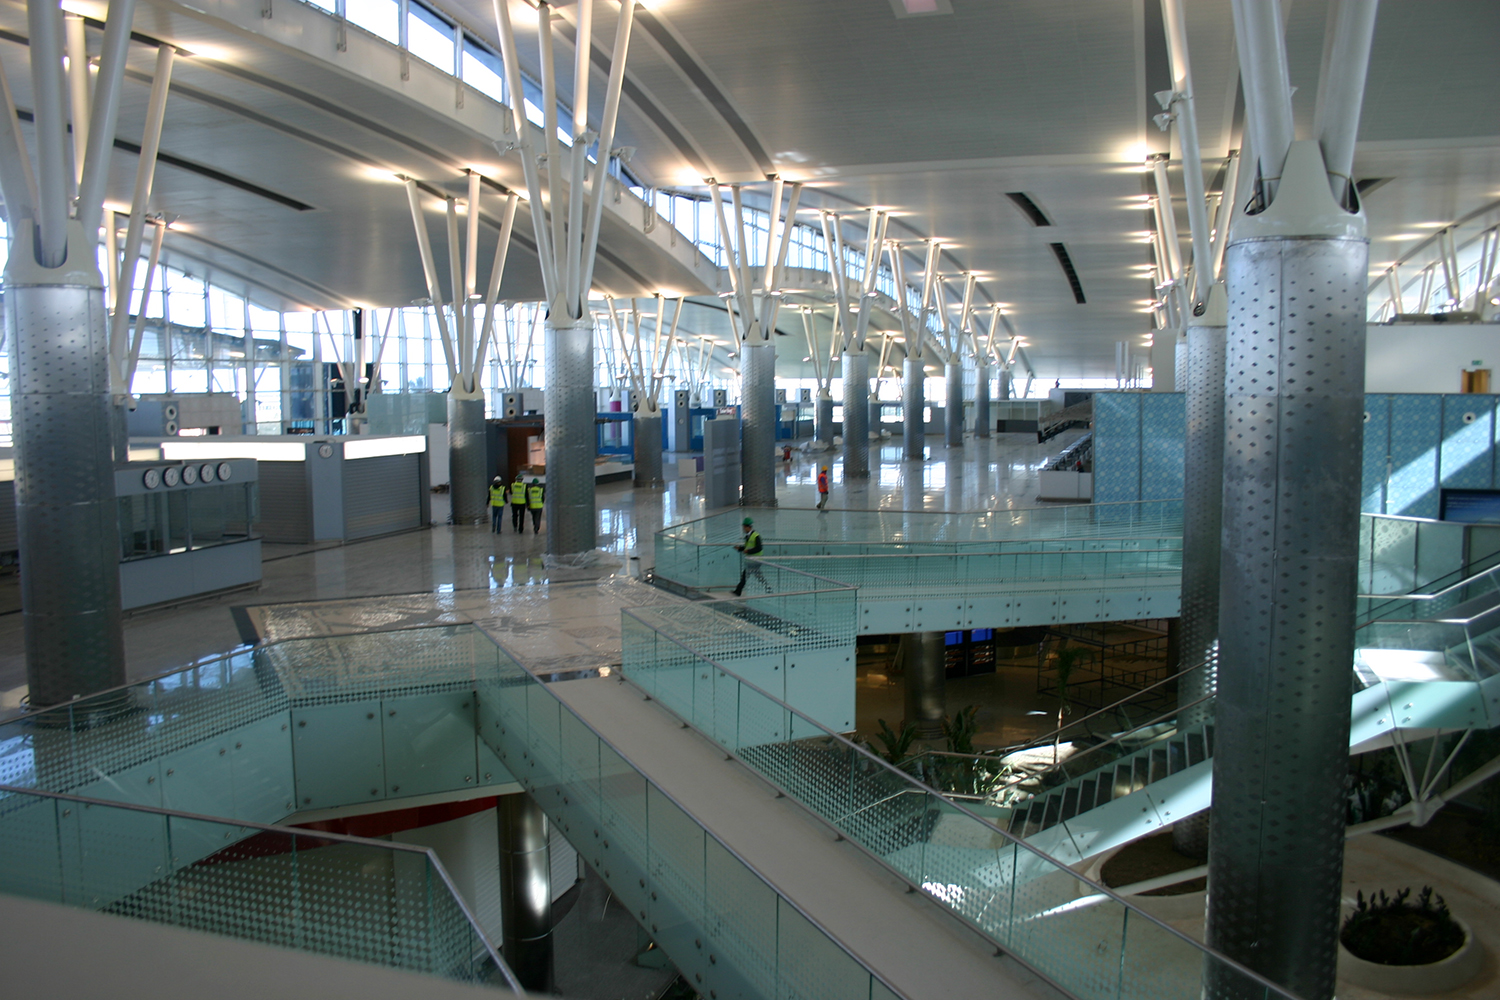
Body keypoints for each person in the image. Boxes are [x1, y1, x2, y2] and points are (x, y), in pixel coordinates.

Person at [732, 516, 765, 596]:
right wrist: (740, 548)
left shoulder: (756, 536)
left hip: (755, 561)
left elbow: (759, 548)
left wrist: (748, 551)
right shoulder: (748, 536)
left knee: (745, 576)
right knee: (758, 576)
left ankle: (738, 591)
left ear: (747, 527)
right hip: (751, 560)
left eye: (744, 527)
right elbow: (747, 547)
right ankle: (768, 589)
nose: (743, 529)